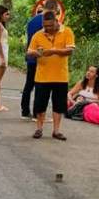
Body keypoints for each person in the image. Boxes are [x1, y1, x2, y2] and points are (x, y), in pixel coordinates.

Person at [26, 10, 74, 140]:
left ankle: (56, 131)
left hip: (60, 76)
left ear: (56, 22)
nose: (47, 28)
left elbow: (70, 50)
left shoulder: (67, 31)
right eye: (45, 26)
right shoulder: (38, 35)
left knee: (58, 105)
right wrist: (35, 53)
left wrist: (54, 51)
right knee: (40, 104)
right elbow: (29, 51)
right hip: (42, 76)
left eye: (50, 26)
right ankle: (39, 129)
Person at [21, 0, 58, 119]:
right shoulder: (47, 21)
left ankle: (25, 112)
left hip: (30, 56)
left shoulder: (31, 21)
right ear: (52, 9)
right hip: (42, 58)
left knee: (29, 84)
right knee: (40, 86)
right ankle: (38, 114)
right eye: (55, 11)